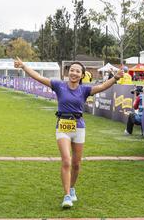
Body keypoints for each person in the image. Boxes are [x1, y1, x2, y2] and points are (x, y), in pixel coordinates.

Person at [14, 57, 123, 209]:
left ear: (82, 75)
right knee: (66, 160)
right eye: (72, 70)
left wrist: (115, 78)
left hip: (79, 127)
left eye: (77, 71)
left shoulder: (84, 90)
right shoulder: (59, 85)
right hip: (62, 126)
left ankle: (72, 188)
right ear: (68, 72)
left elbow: (103, 86)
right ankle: (66, 196)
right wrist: (24, 66)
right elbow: (39, 77)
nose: (74, 73)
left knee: (76, 164)